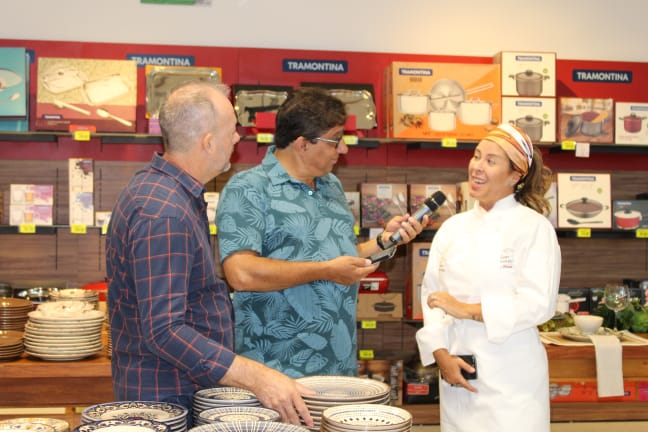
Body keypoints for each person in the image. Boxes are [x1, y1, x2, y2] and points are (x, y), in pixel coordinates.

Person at [105, 80, 314, 427]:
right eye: (232, 130)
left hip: (173, 390)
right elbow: (164, 330)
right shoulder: (165, 211)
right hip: (167, 400)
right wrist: (255, 376)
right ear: (208, 142)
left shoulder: (166, 193)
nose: (238, 138)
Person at [216, 87, 426, 377]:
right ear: (302, 144)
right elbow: (241, 273)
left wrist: (384, 242)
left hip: (337, 368)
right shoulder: (249, 189)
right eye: (336, 140)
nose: (344, 149)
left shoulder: (330, 185)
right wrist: (325, 271)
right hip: (274, 372)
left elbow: (340, 258)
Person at [415, 124, 561, 432]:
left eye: (491, 161)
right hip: (458, 369)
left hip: (512, 375)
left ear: (514, 175)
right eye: (477, 156)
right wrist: (440, 353)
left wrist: (467, 310)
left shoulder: (534, 228)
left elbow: (539, 304)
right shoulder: (453, 228)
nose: (477, 167)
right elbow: (431, 296)